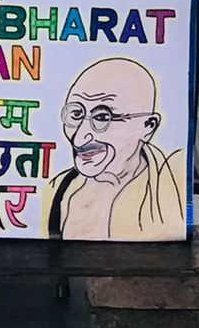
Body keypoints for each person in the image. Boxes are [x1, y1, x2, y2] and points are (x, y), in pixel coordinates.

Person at [43, 58, 187, 241]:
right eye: (76, 114)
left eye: (102, 117)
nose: (79, 138)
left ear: (148, 126)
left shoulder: (172, 182)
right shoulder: (57, 190)